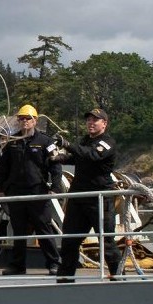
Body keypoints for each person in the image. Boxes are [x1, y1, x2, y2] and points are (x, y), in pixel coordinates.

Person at [0, 105, 60, 275]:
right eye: (21, 118)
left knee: (43, 228)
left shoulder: (46, 141)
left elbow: (55, 166)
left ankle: (53, 263)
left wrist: (55, 187)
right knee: (18, 230)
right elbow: (2, 167)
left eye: (28, 118)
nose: (24, 121)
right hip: (17, 193)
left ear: (35, 120)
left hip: (38, 192)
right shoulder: (12, 142)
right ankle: (18, 265)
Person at [52, 108, 120, 283]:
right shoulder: (84, 141)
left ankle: (117, 277)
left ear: (104, 123)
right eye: (88, 120)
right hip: (79, 198)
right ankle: (65, 278)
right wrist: (57, 157)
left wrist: (67, 144)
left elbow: (92, 155)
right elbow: (77, 157)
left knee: (107, 241)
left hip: (99, 198)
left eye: (95, 120)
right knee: (69, 240)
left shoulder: (107, 142)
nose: (90, 123)